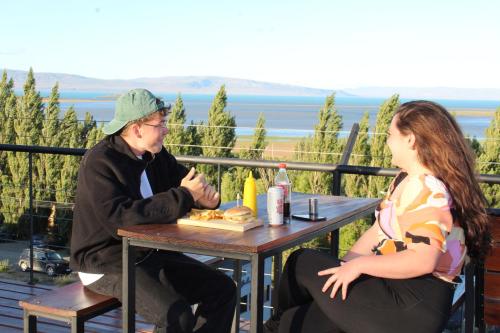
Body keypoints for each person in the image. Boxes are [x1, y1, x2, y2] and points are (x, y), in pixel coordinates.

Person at [264, 100, 491, 333]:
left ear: (410, 139)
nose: (387, 142)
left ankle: (271, 327)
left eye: (390, 135)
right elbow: (377, 232)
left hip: (412, 304)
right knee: (296, 321)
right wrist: (344, 267)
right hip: (389, 288)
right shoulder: (405, 179)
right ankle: (277, 325)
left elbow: (424, 259)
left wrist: (359, 266)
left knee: (300, 262)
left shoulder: (428, 189)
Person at [70, 88, 236, 333]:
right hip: (106, 261)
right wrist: (186, 195)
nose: (166, 130)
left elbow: (183, 183)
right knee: (177, 317)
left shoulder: (154, 155)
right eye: (161, 124)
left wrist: (205, 200)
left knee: (223, 289)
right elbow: (120, 219)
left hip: (147, 253)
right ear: (137, 128)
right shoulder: (100, 162)